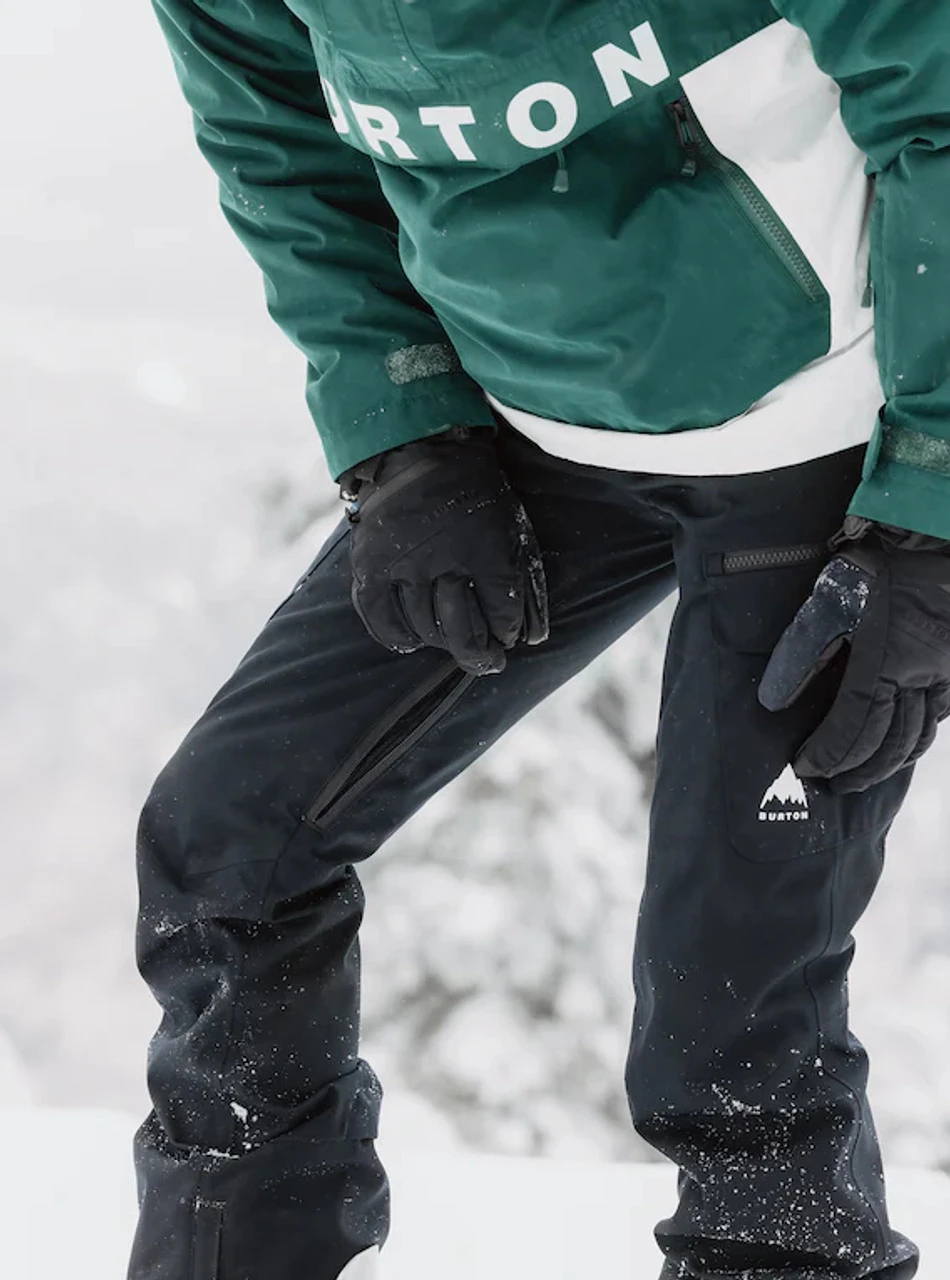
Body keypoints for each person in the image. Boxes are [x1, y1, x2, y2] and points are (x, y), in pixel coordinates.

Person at [128, 2, 950, 1277]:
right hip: (522, 438)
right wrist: (406, 436)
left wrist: (932, 506)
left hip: (819, 434)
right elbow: (277, 139)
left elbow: (936, 101)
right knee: (231, 845)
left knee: (732, 994)